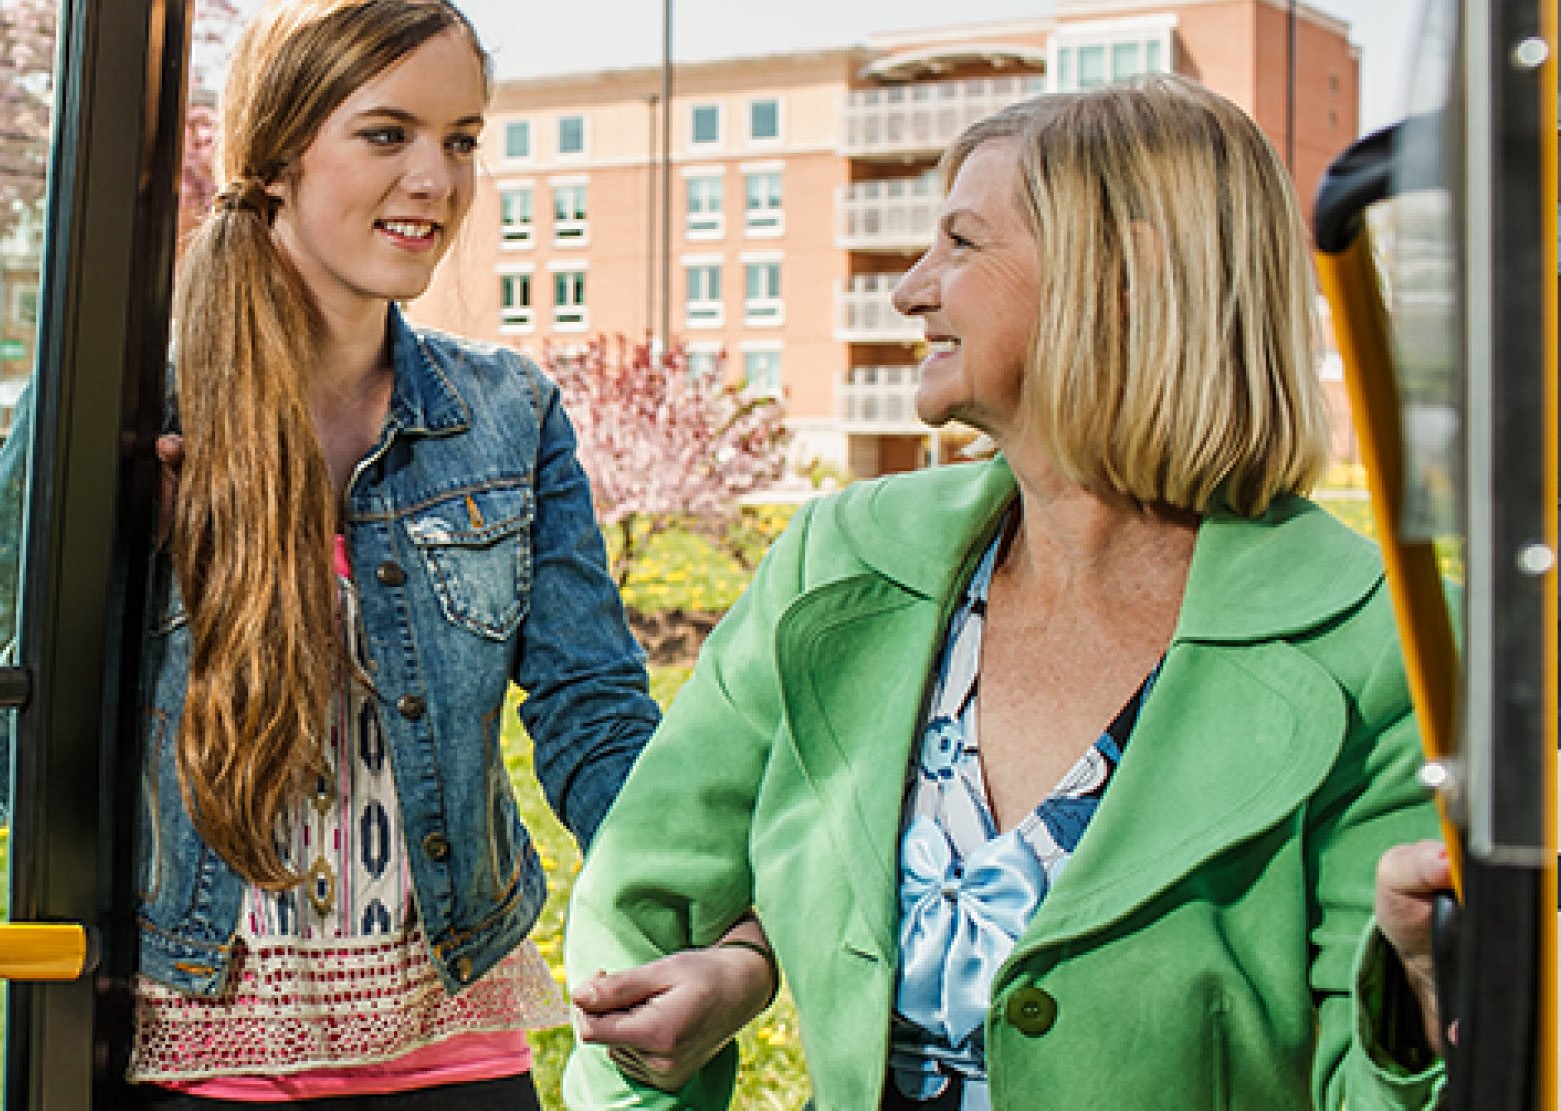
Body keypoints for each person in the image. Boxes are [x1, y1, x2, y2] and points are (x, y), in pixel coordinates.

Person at [561, 74, 1450, 1109]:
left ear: (1120, 273)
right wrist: (729, 977)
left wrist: (1419, 1000)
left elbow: (1383, 1078)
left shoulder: (1386, 643)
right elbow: (642, 908)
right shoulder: (840, 561)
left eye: (963, 243)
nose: (910, 289)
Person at [0, 0, 663, 1104]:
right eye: (389, 135)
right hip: (200, 1058)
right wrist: (114, 578)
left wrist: (699, 911)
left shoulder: (509, 415)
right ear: (281, 153)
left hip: (457, 1052)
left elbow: (594, 709)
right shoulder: (115, 412)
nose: (436, 180)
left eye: (462, 140)